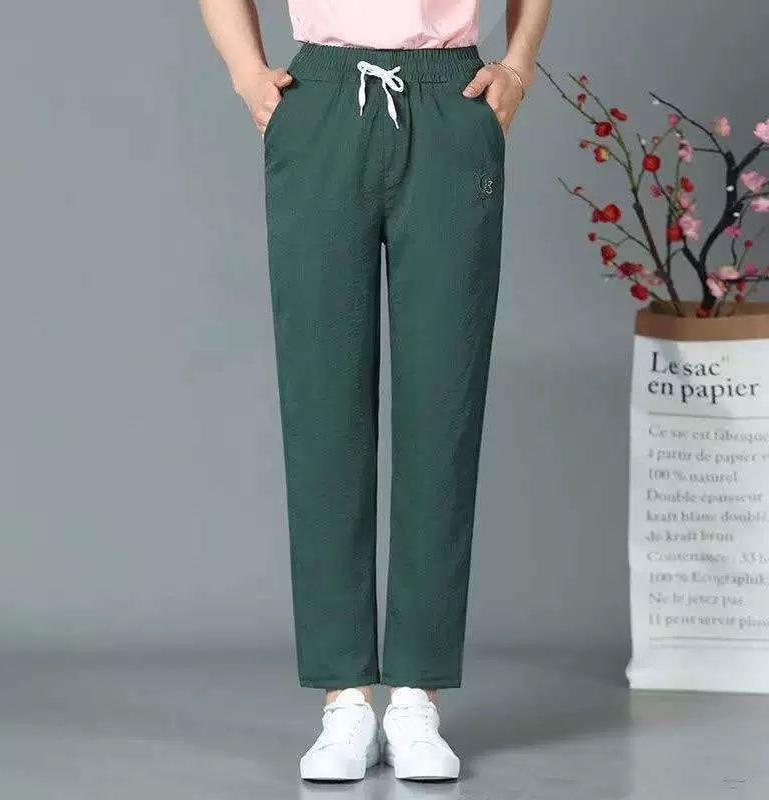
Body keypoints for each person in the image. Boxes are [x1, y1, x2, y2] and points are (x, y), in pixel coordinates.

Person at [200, 0, 552, 782]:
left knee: (443, 405)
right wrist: (247, 73)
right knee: (322, 404)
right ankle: (345, 700)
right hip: (323, 99)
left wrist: (519, 66)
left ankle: (417, 697)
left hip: (452, 100)